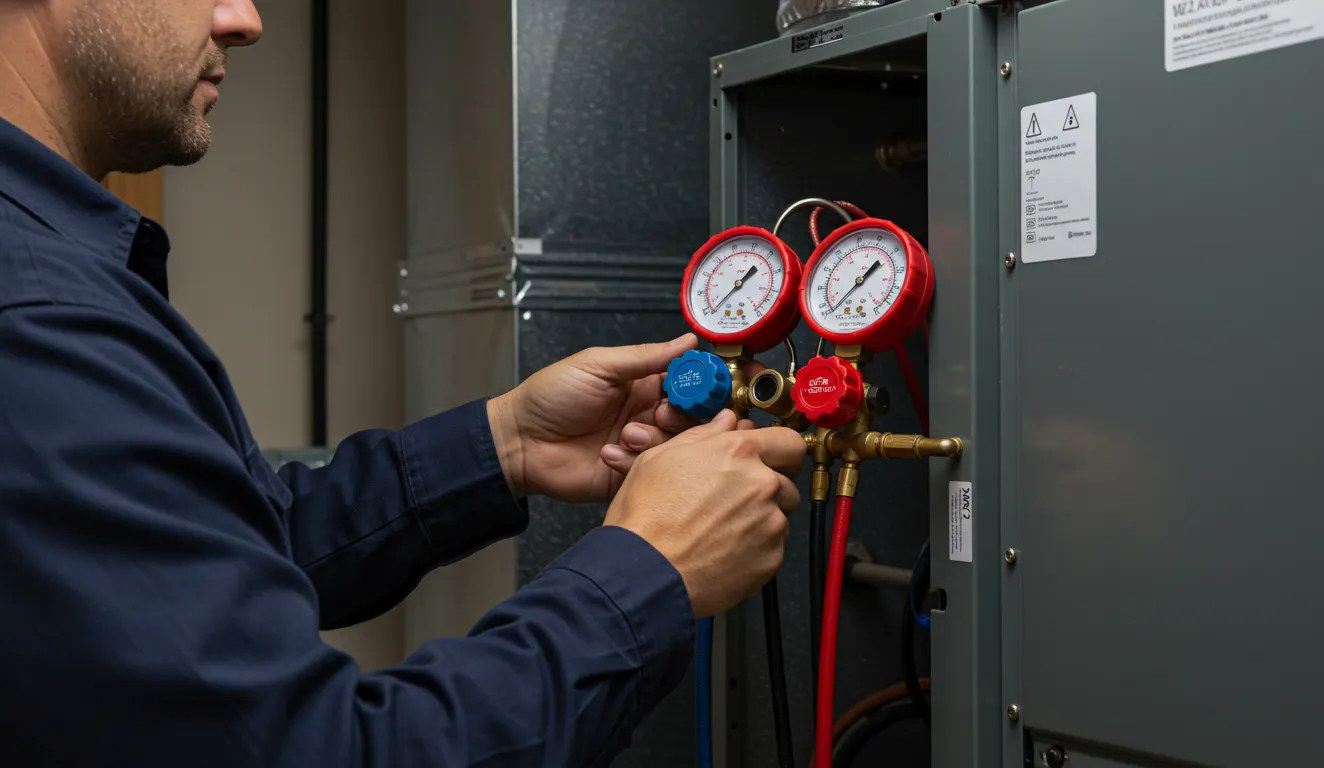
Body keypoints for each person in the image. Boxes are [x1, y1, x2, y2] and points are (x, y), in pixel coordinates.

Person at [0, 1, 807, 765]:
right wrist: (651, 568)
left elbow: (207, 562)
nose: (243, 21)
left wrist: (506, 445)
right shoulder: (36, 313)